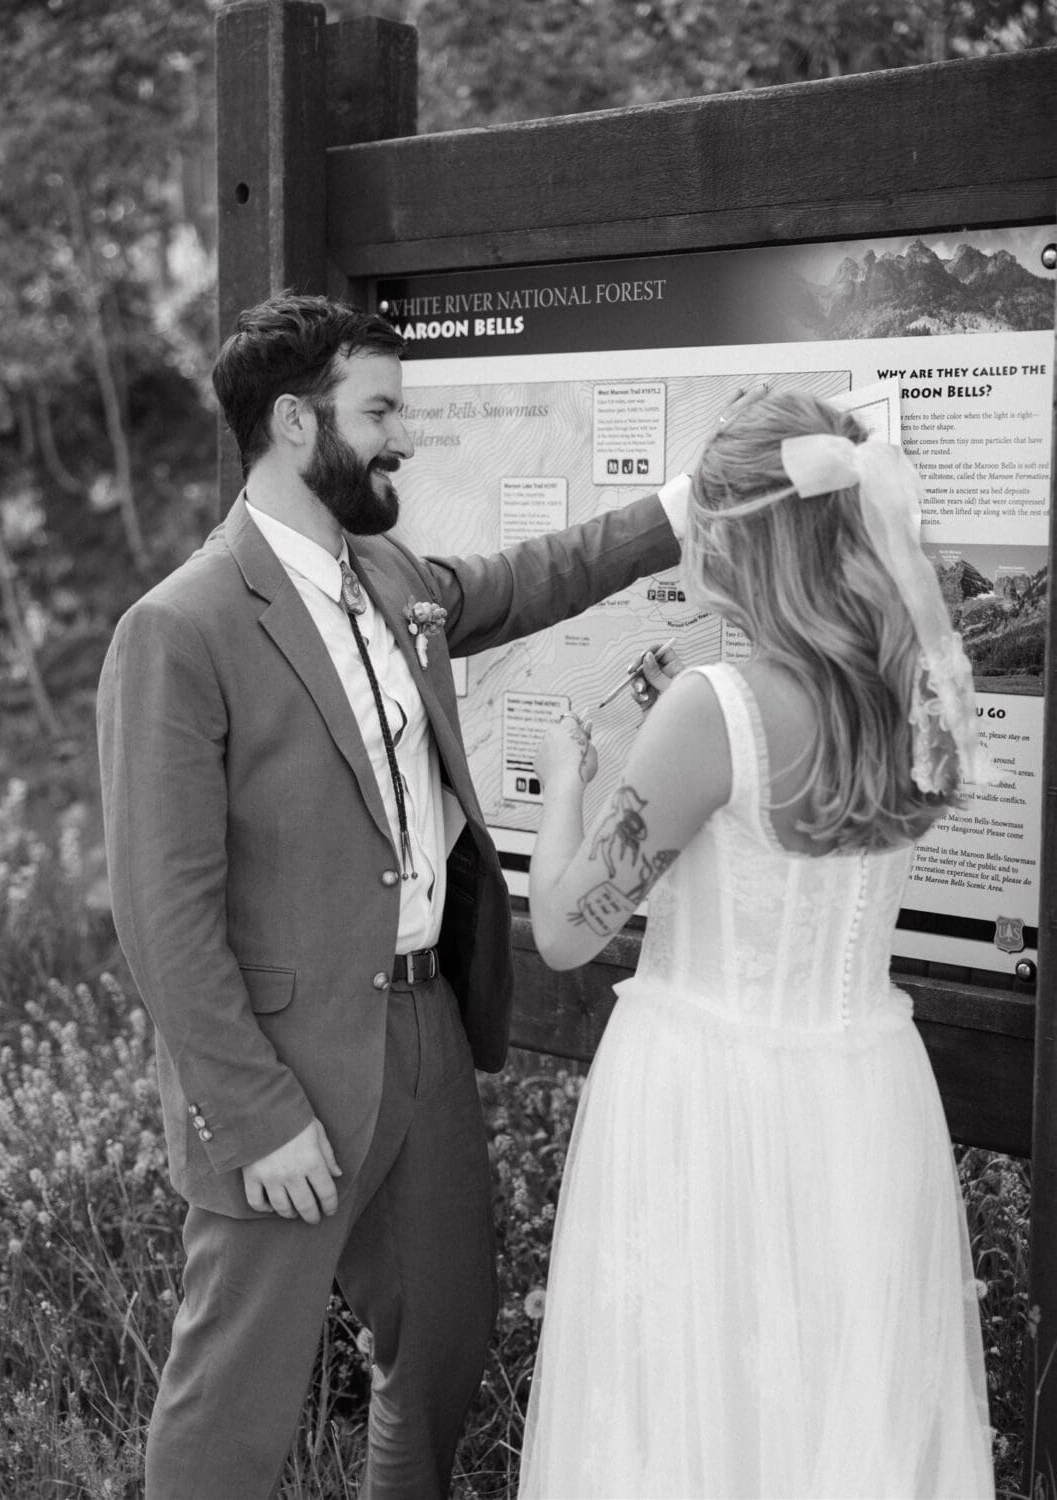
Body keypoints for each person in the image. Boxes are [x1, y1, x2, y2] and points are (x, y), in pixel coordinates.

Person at [96, 291, 688, 1500]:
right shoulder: (181, 628)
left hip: (423, 1028)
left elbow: (529, 578)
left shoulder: (390, 573)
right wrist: (254, 1114)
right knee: (231, 1404)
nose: (404, 438)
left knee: (446, 1349)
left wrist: (683, 509)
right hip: (284, 1064)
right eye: (379, 413)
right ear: (293, 423)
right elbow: (162, 915)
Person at [519, 389, 996, 1499]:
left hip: (706, 1101)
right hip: (866, 1095)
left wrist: (562, 788)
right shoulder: (918, 691)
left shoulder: (713, 706)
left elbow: (564, 931)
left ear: (739, 533)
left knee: (693, 1416)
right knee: (838, 1407)